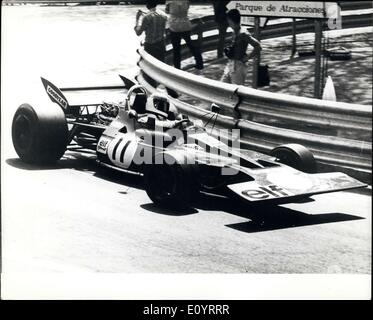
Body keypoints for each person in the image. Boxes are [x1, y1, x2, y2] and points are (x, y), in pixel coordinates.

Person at [221, 9, 262, 85]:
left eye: (228, 20)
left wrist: (248, 57)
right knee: (223, 87)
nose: (228, 23)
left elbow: (258, 46)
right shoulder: (234, 31)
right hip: (230, 64)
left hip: (238, 66)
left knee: (236, 91)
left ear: (231, 20)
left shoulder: (243, 33)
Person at [166, 0, 204, 70]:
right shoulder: (186, 1)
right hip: (185, 24)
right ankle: (200, 63)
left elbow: (167, 11)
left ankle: (177, 68)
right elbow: (187, 8)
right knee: (191, 45)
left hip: (174, 26)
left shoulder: (169, 2)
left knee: (176, 48)